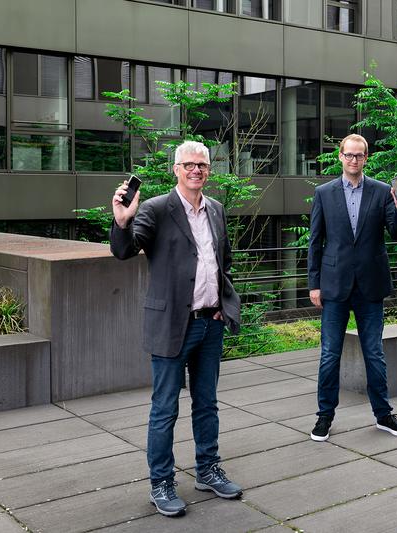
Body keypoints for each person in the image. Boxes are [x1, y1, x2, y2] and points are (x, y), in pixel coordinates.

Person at [110, 140, 243, 517]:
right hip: (171, 325)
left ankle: (207, 469)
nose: (196, 170)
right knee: (164, 409)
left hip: (209, 324)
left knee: (207, 404)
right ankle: (161, 482)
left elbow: (223, 262)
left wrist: (223, 305)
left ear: (208, 170)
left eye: (202, 165)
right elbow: (124, 250)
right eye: (189, 165)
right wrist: (122, 221)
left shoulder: (216, 210)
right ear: (176, 169)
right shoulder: (156, 209)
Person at [307, 133, 397, 442]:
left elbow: (396, 233)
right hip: (334, 285)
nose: (354, 160)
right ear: (340, 156)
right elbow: (315, 242)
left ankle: (384, 415)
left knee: (374, 353)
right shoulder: (324, 193)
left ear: (366, 158)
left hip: (370, 285)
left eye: (360, 155)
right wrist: (314, 283)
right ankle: (324, 416)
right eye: (349, 155)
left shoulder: (382, 192)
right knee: (329, 354)